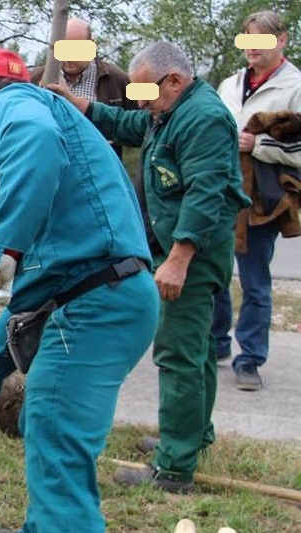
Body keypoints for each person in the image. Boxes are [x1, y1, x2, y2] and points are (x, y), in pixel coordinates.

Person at [0, 48, 159, 533]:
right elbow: (37, 294)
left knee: (56, 434)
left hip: (96, 303)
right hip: (96, 296)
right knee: (46, 429)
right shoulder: (52, 120)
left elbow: (36, 143)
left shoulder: (12, 106)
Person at [48, 41, 251, 493]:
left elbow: (206, 194)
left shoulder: (203, 119)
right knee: (195, 350)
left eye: (145, 92)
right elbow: (131, 123)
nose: (140, 102)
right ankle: (192, 434)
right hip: (188, 248)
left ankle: (174, 468)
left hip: (193, 255)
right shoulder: (171, 111)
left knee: (177, 354)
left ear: (174, 80)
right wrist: (75, 100)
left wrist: (178, 260)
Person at [212, 10, 301, 391]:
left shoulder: (296, 87)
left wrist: (261, 145)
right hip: (221, 191)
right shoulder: (229, 85)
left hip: (264, 196)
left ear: (282, 41)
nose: (251, 48)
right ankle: (216, 344)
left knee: (255, 282)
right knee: (213, 273)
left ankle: (250, 359)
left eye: (261, 41)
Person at [29, 18, 137, 158]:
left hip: (101, 172)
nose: (68, 57)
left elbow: (144, 126)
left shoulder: (119, 79)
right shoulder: (34, 79)